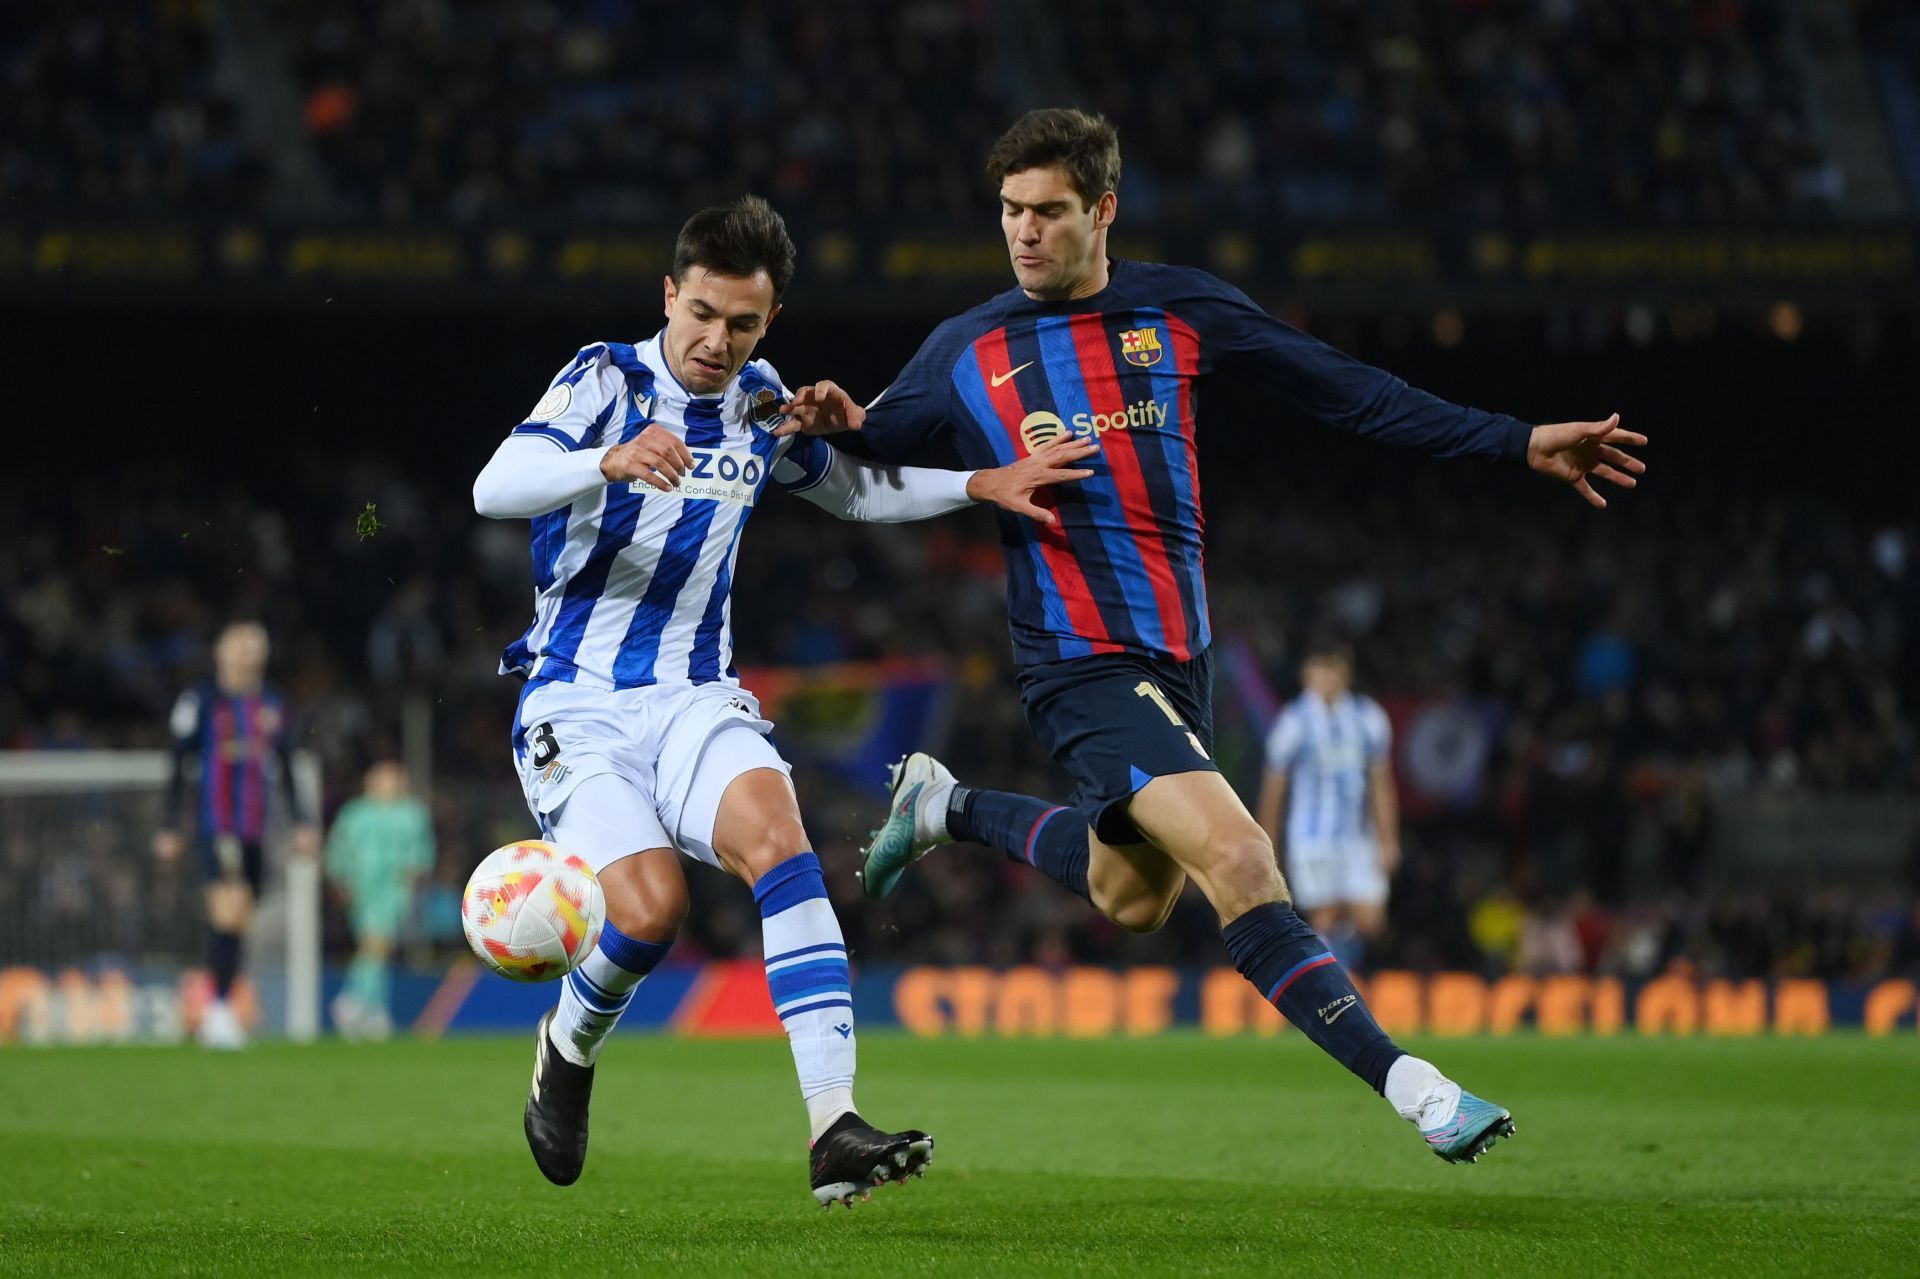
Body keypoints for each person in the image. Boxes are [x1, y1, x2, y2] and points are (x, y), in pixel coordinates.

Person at [781, 108, 1646, 1165]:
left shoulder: (1181, 309)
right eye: (1009, 212)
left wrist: (1513, 442)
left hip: (1175, 659)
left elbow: (1351, 394)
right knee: (1238, 855)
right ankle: (1419, 1088)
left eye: (1048, 211)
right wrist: (838, 421)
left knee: (1129, 895)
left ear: (1102, 210)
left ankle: (945, 803)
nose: (1024, 233)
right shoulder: (967, 347)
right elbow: (872, 453)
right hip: (1075, 659)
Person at [471, 194, 1094, 1205]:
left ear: (769, 324)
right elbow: (494, 486)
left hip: (695, 699)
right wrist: (607, 459)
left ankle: (831, 1125)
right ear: (669, 294)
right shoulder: (604, 377)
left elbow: (851, 490)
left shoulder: (760, 401)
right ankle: (569, 1044)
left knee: (784, 847)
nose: (718, 341)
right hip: (576, 705)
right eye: (704, 314)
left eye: (744, 324)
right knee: (647, 916)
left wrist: (980, 483)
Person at [155, 620, 319, 1049]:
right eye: (240, 644)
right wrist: (170, 824)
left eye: (255, 645)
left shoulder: (272, 703)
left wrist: (302, 822)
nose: (248, 652)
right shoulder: (201, 700)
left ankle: (214, 1001)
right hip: (218, 823)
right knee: (228, 909)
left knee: (239, 914)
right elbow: (177, 763)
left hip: (255, 827)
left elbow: (286, 765)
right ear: (220, 651)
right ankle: (219, 1009)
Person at [1253, 644, 1397, 972]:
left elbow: (1381, 784)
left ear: (1345, 675)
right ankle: (1337, 990)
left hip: (1360, 837)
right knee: (1325, 915)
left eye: (1330, 671)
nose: (1323, 679)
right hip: (1311, 837)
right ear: (1306, 676)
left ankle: (1339, 974)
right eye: (1317, 671)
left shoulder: (1368, 717)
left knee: (1371, 919)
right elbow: (1274, 789)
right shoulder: (1293, 722)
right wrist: (1268, 842)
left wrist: (1388, 838)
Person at [326, 759, 435, 1040]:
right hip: (363, 886)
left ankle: (369, 1007)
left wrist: (413, 877)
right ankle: (354, 1002)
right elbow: (339, 849)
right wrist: (341, 879)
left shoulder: (411, 813)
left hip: (395, 888)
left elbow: (422, 852)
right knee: (375, 945)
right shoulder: (355, 814)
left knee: (379, 947)